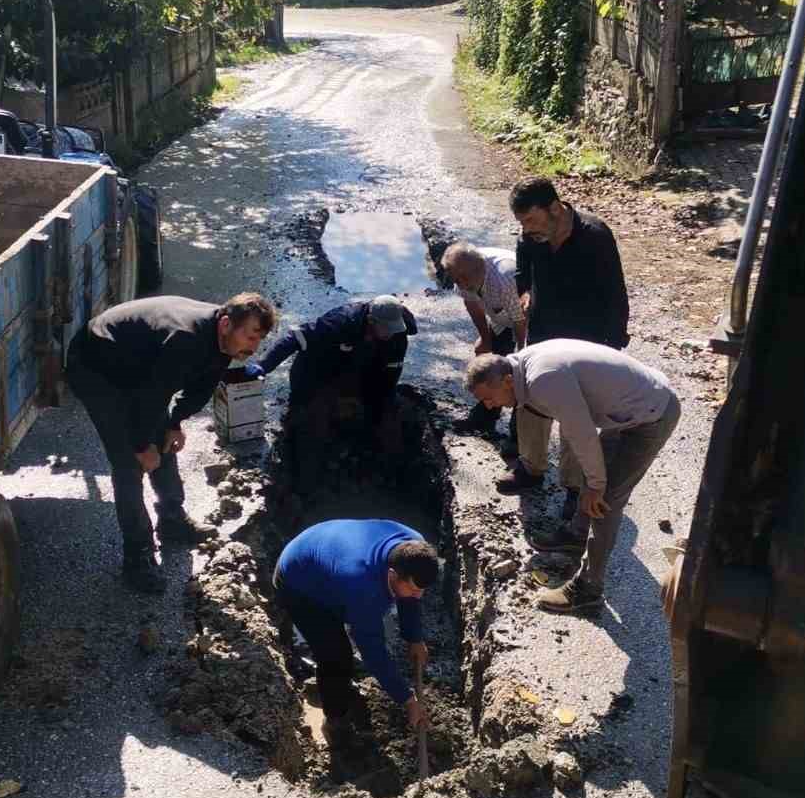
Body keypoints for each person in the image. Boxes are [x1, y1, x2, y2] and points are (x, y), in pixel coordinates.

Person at [66, 293, 276, 594]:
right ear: (227, 323)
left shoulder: (224, 338)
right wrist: (141, 446)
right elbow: (152, 396)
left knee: (162, 437)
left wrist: (175, 423)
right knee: (129, 463)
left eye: (259, 340)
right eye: (250, 337)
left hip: (139, 370)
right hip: (96, 366)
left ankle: (172, 519)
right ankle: (137, 556)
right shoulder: (186, 339)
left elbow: (200, 387)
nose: (253, 348)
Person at [466, 343, 680, 616]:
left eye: (489, 397)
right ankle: (576, 536)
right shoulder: (520, 366)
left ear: (507, 380)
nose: (489, 405)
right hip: (628, 409)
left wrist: (596, 486)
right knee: (590, 475)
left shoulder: (543, 380)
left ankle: (588, 591)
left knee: (605, 499)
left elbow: (582, 434)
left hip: (651, 415)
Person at [503, 178, 630, 496]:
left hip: (585, 340)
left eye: (531, 219)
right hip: (544, 331)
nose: (527, 228)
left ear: (555, 208)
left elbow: (616, 294)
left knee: (577, 412)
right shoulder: (531, 236)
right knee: (530, 400)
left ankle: (575, 487)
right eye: (522, 222)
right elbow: (523, 265)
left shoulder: (595, 236)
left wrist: (611, 349)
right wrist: (525, 291)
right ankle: (530, 468)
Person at [273, 520, 439, 737]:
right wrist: (407, 700)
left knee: (398, 597)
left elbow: (410, 598)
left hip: (327, 559)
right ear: (391, 575)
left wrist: (414, 638)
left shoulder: (415, 548)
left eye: (422, 590)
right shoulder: (362, 587)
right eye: (414, 588)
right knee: (336, 655)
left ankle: (343, 688)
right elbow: (372, 650)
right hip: (299, 583)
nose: (419, 595)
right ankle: (335, 720)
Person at [246, 296, 417, 487]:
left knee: (387, 417)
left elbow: (390, 376)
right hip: (318, 373)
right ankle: (307, 483)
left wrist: (379, 406)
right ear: (371, 321)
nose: (390, 334)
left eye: (394, 329)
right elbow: (294, 338)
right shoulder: (341, 321)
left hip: (359, 372)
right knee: (313, 420)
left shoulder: (397, 334)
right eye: (385, 329)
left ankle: (390, 478)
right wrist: (264, 365)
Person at [440, 242, 526, 435]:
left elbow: (521, 322)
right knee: (490, 367)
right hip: (502, 317)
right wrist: (484, 338)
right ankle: (483, 419)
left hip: (531, 320)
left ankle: (518, 436)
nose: (460, 283)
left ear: (476, 271)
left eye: (463, 279)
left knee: (520, 375)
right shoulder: (463, 273)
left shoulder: (506, 277)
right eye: (457, 279)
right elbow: (472, 303)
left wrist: (521, 354)